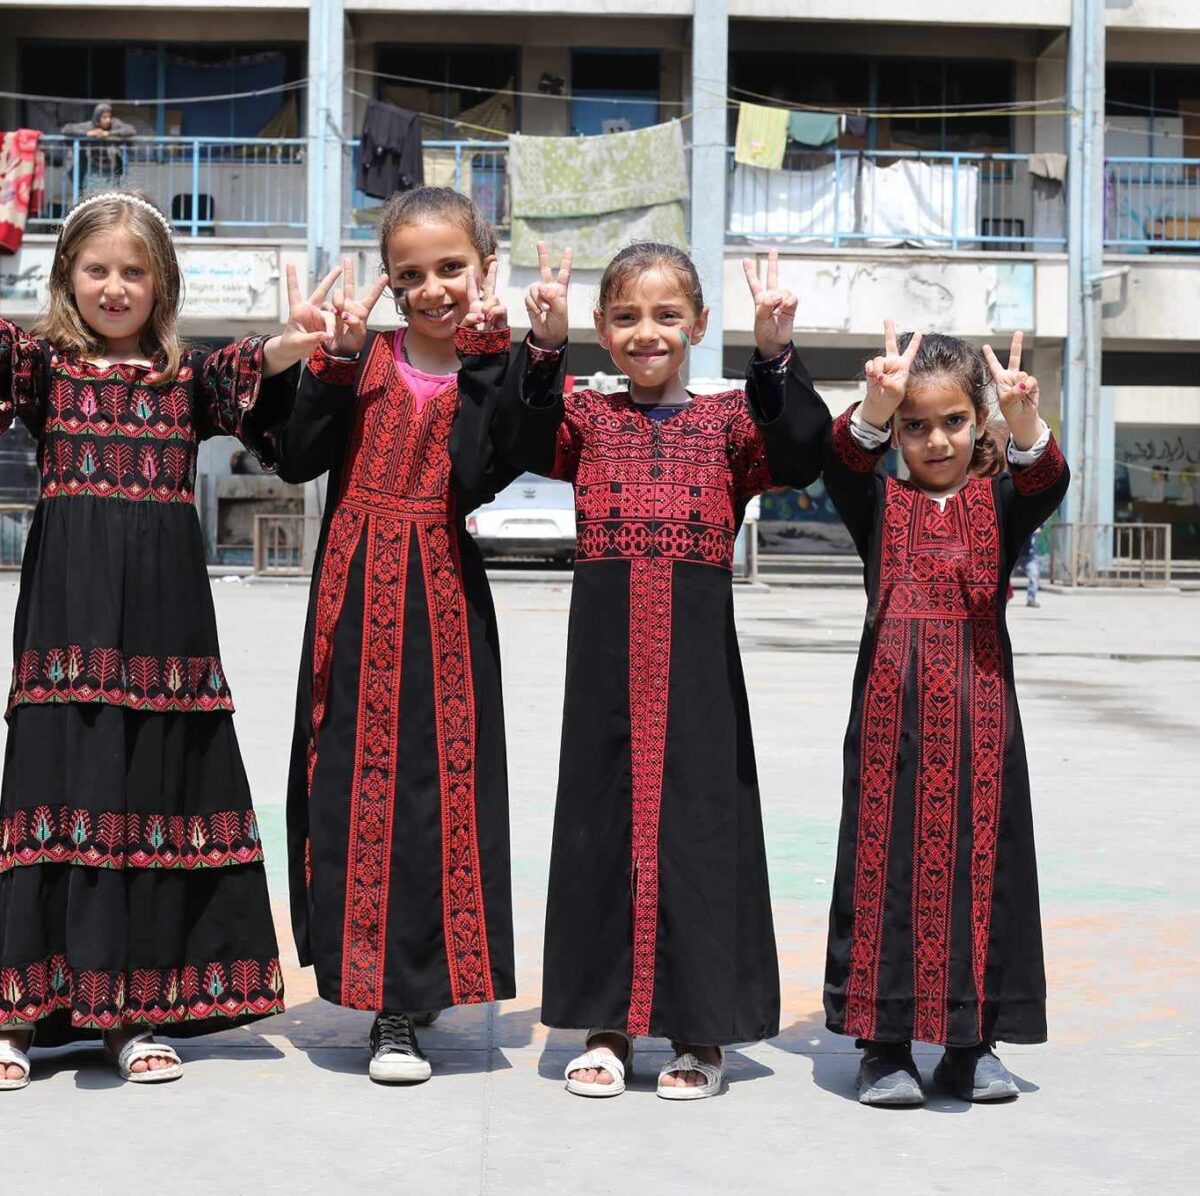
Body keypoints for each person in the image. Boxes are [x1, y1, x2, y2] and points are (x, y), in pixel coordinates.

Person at [0, 188, 326, 1089]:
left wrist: (302, 337)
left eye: (133, 271)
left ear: (162, 283)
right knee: (52, 792)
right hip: (65, 638)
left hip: (165, 639)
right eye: (97, 269)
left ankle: (136, 1018)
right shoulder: (46, 373)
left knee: (151, 797)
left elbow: (250, 366)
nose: (114, 286)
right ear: (68, 277)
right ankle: (20, 1017)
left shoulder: (183, 381)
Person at [493, 243, 830, 1100]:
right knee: (602, 829)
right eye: (628, 318)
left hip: (697, 672)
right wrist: (540, 344)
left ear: (698, 325)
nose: (648, 333)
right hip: (603, 667)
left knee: (701, 833)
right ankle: (606, 1025)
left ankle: (700, 1033)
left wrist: (774, 351)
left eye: (667, 315)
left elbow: (800, 451)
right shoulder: (588, 420)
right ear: (604, 332)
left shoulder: (730, 426)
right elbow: (517, 433)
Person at [276, 187, 517, 1085]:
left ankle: (413, 1006)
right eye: (410, 274)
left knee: (435, 798)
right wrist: (326, 361)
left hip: (444, 605)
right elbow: (298, 455)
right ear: (389, 281)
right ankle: (375, 999)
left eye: (451, 268)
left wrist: (495, 359)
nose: (433, 289)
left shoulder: (498, 371)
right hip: (350, 604)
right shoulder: (362, 358)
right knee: (351, 794)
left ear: (485, 270)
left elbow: (481, 471)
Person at [821, 324, 1069, 1106]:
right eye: (915, 424)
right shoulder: (877, 500)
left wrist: (1024, 421)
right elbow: (839, 460)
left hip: (983, 728)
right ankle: (883, 1047)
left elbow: (1047, 483)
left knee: (982, 875)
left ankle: (971, 1046)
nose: (935, 440)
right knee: (884, 876)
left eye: (954, 421)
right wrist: (873, 403)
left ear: (979, 419)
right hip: (889, 729)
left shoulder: (999, 502)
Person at [60, 104, 136, 189]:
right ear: (97, 118)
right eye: (104, 118)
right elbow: (66, 129)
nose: (108, 120)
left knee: (112, 197)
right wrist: (87, 133)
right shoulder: (90, 126)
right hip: (93, 169)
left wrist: (108, 134)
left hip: (111, 169)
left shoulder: (113, 124)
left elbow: (130, 130)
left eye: (109, 117)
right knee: (92, 195)